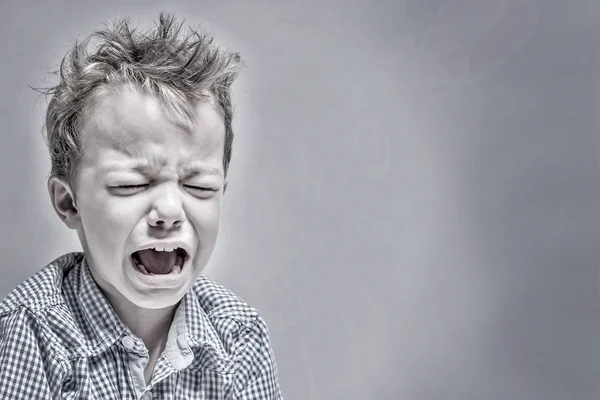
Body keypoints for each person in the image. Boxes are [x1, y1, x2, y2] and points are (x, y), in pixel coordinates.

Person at [0, 13, 282, 399]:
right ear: (69, 203)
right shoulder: (33, 332)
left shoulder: (239, 337)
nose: (169, 210)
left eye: (199, 186)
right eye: (130, 184)